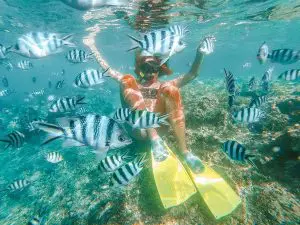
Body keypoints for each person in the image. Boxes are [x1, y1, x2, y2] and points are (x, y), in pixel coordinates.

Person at [84, 32, 215, 173]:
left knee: (171, 89)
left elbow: (192, 75)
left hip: (161, 130)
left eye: (154, 68)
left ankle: (185, 152)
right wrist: (92, 46)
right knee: (127, 79)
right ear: (139, 69)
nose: (150, 73)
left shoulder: (163, 85)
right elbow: (107, 70)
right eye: (146, 68)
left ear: (160, 69)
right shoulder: (133, 84)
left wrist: (199, 54)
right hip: (137, 131)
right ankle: (154, 139)